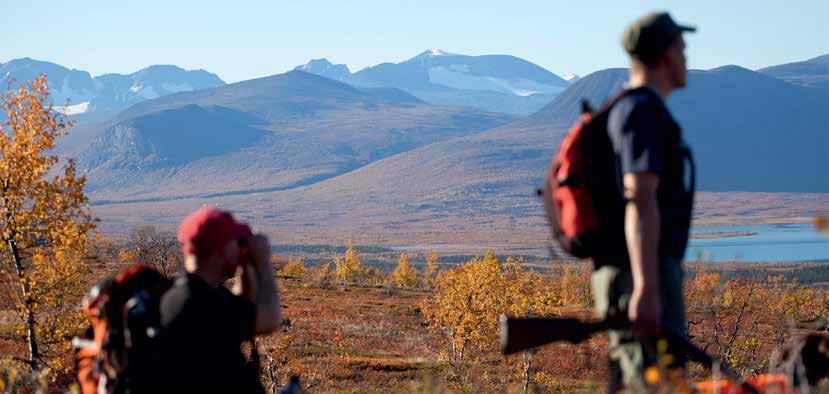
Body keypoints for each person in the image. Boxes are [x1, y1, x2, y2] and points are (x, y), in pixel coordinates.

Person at [590, 11, 697, 392]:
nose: (687, 59)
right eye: (683, 49)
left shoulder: (630, 107)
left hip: (632, 273)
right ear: (667, 55)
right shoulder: (642, 112)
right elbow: (639, 199)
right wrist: (646, 290)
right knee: (653, 384)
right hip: (639, 274)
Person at [158, 207, 282, 392]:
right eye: (236, 242)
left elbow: (239, 306)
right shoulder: (204, 304)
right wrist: (262, 262)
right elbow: (269, 320)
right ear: (222, 250)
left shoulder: (182, 292)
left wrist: (243, 266)